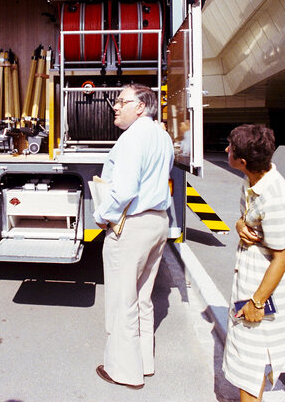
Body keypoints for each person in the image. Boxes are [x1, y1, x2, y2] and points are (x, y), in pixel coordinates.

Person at [222, 124, 285, 402]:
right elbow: (250, 219)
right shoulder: (253, 181)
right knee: (277, 344)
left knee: (248, 359)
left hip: (264, 287)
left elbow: (281, 257)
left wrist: (256, 302)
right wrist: (239, 223)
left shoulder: (274, 197)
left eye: (230, 147)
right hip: (253, 280)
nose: (226, 150)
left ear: (242, 161)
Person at [92, 83, 174, 390]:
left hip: (133, 226)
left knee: (122, 300)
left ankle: (124, 371)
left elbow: (124, 190)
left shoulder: (130, 139)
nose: (116, 106)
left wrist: (101, 216)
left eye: (121, 101)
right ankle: (144, 362)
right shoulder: (162, 136)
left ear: (140, 106)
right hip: (157, 223)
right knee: (142, 298)